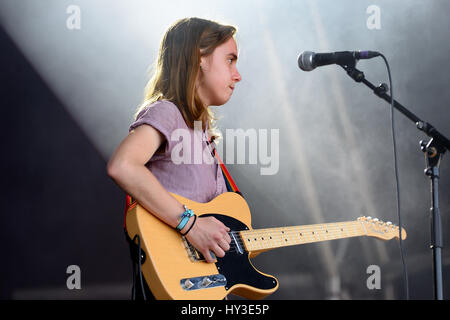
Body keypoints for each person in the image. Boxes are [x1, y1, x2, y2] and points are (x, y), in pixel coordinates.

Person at [106, 17, 242, 300]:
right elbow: (123, 165)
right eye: (230, 60)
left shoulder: (199, 131)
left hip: (205, 285)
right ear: (199, 58)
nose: (237, 74)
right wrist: (190, 225)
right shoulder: (168, 112)